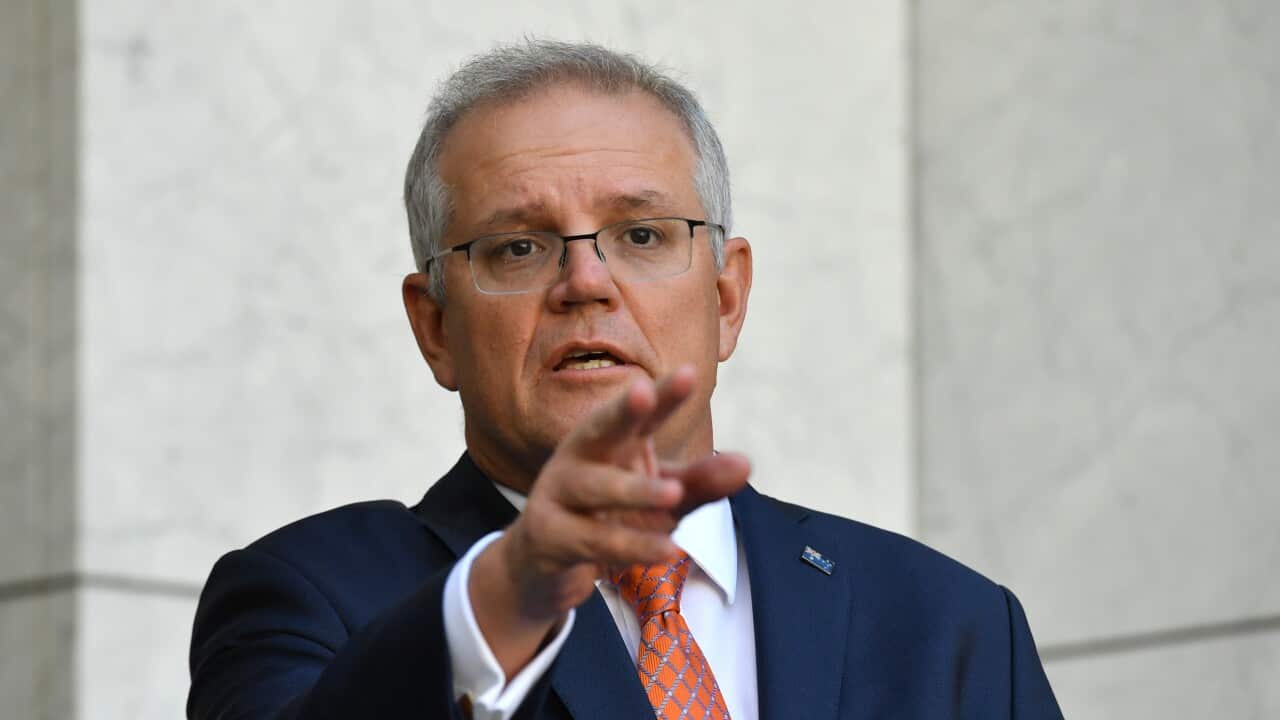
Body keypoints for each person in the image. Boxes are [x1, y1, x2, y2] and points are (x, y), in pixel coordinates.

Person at [187, 40, 1063, 720]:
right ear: (437, 326)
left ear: (726, 298)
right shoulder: (310, 593)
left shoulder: (950, 623)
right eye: (518, 247)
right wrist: (510, 590)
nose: (585, 283)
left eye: (641, 235)